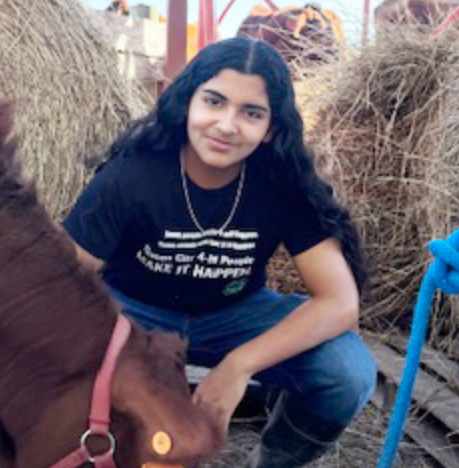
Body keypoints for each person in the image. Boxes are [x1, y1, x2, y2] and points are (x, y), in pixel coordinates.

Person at [63, 36, 376, 468]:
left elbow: (340, 303)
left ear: (271, 128)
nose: (227, 125)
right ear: (187, 102)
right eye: (214, 101)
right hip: (134, 313)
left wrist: (238, 367)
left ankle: (274, 461)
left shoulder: (283, 183)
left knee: (348, 372)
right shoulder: (131, 176)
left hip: (236, 313)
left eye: (251, 113)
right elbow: (60, 278)